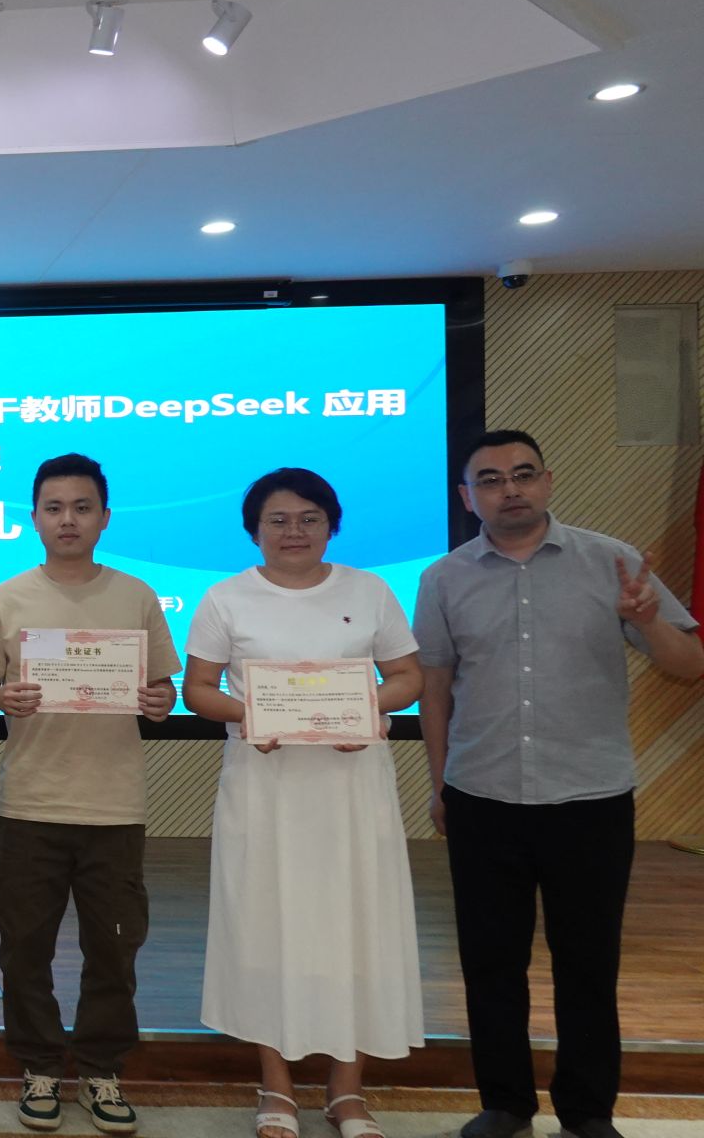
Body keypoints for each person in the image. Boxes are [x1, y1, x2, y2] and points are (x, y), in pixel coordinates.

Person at [415, 431, 702, 1138]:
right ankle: (505, 1102)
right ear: (467, 497)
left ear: (547, 481)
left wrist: (647, 621)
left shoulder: (613, 561)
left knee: (588, 963)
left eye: (523, 474)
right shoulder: (444, 578)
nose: (509, 489)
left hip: (590, 798)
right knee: (490, 962)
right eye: (490, 480)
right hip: (483, 796)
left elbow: (689, 664)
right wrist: (440, 784)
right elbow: (436, 687)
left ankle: (587, 1110)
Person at [181, 468, 425, 1138]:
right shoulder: (227, 597)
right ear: (254, 530)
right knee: (266, 925)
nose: (294, 531)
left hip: (351, 787)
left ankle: (347, 1091)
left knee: (356, 924)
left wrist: (363, 708)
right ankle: (277, 1086)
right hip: (266, 785)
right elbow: (199, 689)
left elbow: (406, 676)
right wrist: (251, 715)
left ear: (332, 525)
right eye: (278, 520)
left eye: (310, 518)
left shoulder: (369, 591)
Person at [0, 454, 179, 1136]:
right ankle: (39, 1067)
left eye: (82, 508)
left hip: (114, 806)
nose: (68, 520)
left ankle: (102, 1068)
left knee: (114, 948)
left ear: (104, 518)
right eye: (54, 508)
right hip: (31, 803)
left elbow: (164, 689)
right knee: (24, 948)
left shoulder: (137, 596)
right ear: (34, 518)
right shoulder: (6, 598)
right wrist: (1, 696)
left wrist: (158, 699)